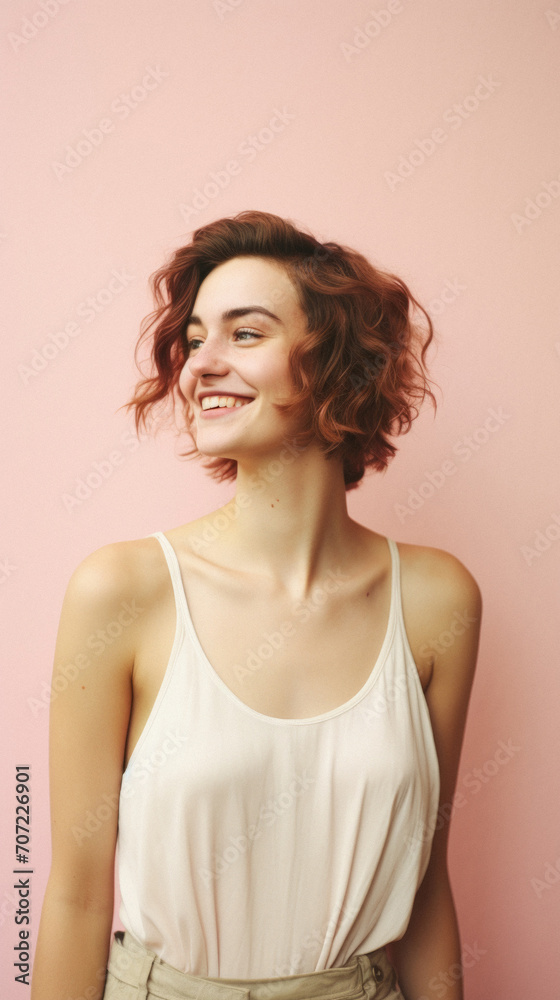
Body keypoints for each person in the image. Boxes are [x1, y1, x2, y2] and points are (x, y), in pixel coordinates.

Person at [31, 211, 482, 1000]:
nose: (201, 364)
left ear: (339, 364)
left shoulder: (437, 599)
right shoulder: (123, 590)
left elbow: (425, 884)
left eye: (245, 334)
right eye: (194, 339)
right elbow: (75, 898)